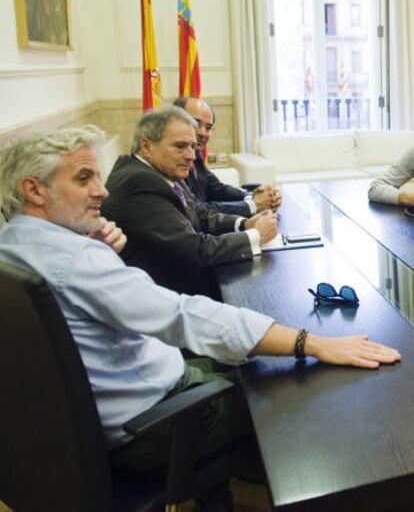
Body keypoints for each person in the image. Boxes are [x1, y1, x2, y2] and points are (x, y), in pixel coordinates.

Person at [0, 126, 400, 508]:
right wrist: (311, 342)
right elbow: (181, 315)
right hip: (153, 425)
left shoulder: (14, 246)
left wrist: (96, 248)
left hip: (93, 425)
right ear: (34, 189)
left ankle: (221, 491)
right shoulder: (75, 259)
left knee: (251, 363)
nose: (101, 191)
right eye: (84, 178)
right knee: (301, 394)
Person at [102, 106, 277, 297]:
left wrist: (244, 223)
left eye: (192, 147)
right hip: (166, 295)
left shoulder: (163, 171)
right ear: (146, 147)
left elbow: (199, 214)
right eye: (180, 146)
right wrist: (255, 236)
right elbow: (195, 251)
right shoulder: (138, 182)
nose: (191, 156)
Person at [174, 96, 281, 217]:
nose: (203, 132)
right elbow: (197, 210)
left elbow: (216, 188)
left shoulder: (196, 155)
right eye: (196, 123)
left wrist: (252, 197)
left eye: (208, 127)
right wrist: (253, 205)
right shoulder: (172, 162)